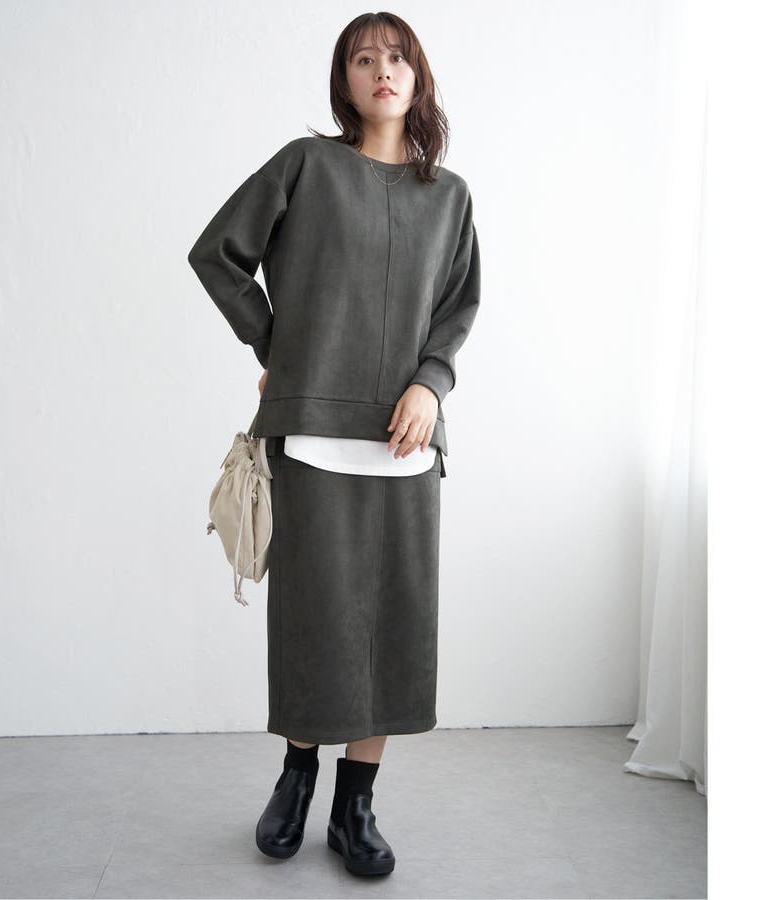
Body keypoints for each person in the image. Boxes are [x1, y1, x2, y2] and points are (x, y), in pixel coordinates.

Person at [188, 11, 481, 878]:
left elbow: (458, 307)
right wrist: (277, 348)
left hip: (404, 444)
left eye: (397, 57)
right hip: (313, 438)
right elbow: (217, 254)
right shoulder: (306, 166)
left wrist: (432, 382)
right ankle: (296, 777)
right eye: (363, 58)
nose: (382, 70)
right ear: (344, 80)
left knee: (392, 626)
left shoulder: (450, 197)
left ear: (417, 78)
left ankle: (357, 805)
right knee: (313, 622)